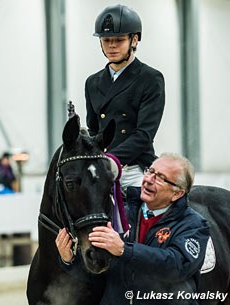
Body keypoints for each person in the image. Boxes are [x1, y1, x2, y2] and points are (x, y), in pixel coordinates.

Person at [56, 153, 210, 304]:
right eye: (150, 171)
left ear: (177, 193)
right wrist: (70, 261)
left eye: (161, 178)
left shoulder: (194, 225)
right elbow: (97, 273)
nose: (149, 180)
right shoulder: (118, 215)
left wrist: (124, 250)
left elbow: (177, 266)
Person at [85, 4, 165, 194]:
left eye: (119, 40)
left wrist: (111, 159)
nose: (112, 46)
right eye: (106, 40)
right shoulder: (92, 82)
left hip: (134, 168)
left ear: (134, 40)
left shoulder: (150, 78)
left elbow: (144, 134)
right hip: (104, 167)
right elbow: (94, 129)